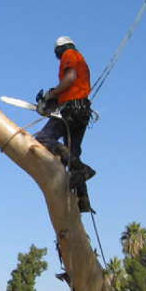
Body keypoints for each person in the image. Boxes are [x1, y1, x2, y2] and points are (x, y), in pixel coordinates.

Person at [34, 36, 95, 213]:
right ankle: (83, 198)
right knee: (73, 151)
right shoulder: (82, 61)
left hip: (71, 111)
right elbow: (71, 87)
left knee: (44, 138)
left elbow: (69, 78)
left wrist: (51, 94)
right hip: (82, 112)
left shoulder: (70, 54)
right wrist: (54, 101)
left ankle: (79, 167)